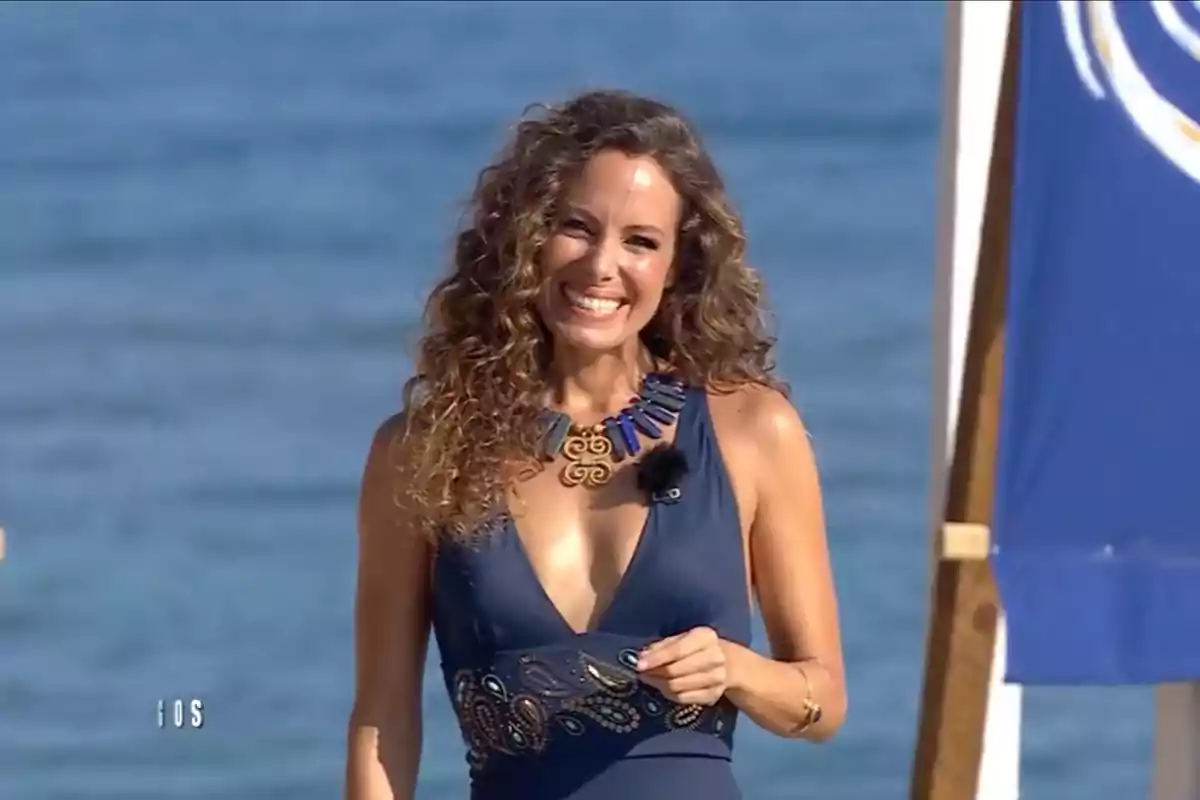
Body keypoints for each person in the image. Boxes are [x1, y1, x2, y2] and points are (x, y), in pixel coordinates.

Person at [345, 89, 846, 800]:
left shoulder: (753, 432)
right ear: (525, 238)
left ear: (677, 266)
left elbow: (820, 700)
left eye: (640, 241)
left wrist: (736, 668)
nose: (602, 266)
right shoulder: (424, 450)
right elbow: (383, 719)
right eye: (576, 228)